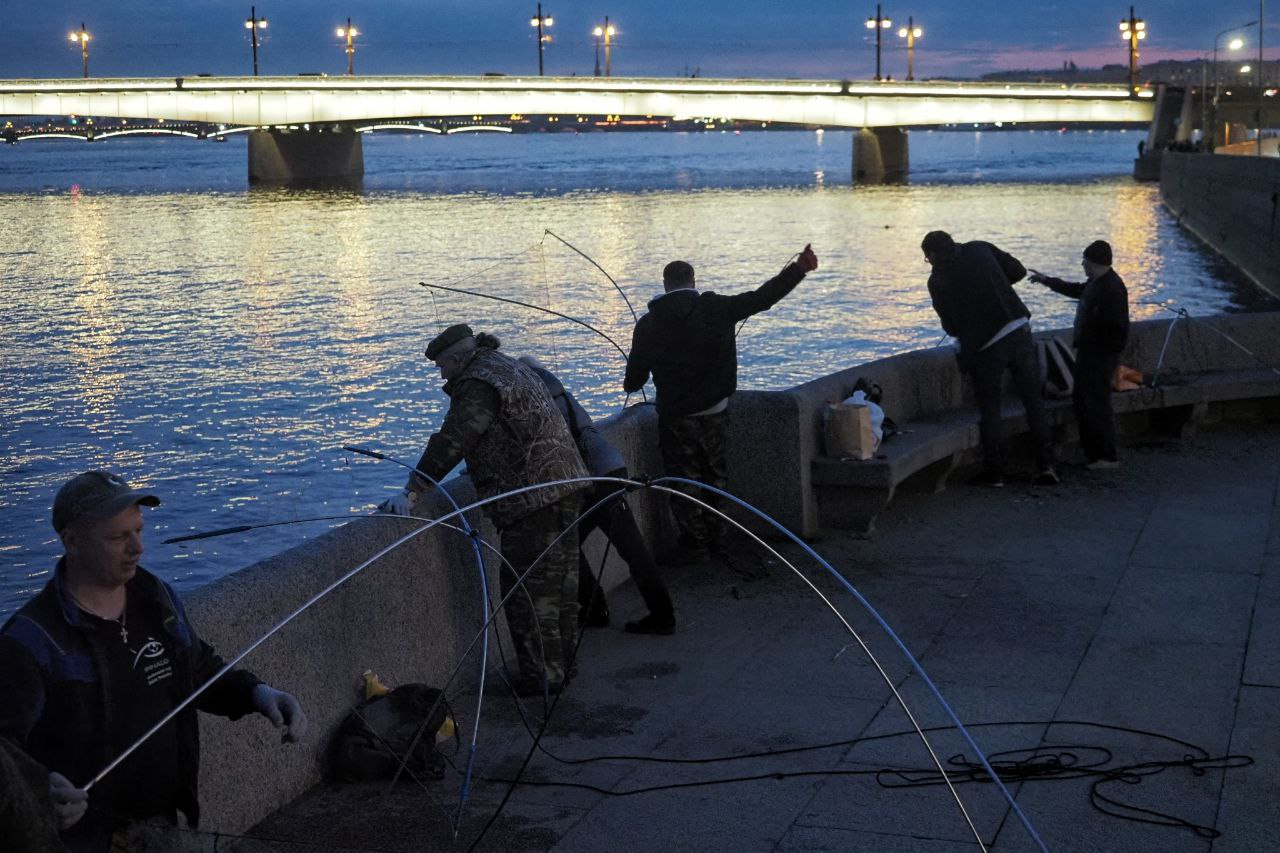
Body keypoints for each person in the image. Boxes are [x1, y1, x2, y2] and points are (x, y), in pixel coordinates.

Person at [0, 470, 307, 853]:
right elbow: (6, 756)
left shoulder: (155, 597)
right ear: (72, 541)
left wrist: (258, 694)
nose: (137, 548)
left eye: (139, 531)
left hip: (164, 828)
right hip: (85, 842)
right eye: (118, 537)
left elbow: (194, 668)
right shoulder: (30, 641)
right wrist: (42, 790)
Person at [383, 325, 588, 696]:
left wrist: (413, 490)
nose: (442, 374)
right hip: (567, 483)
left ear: (459, 359)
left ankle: (542, 677)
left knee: (528, 591)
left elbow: (455, 438)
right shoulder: (503, 364)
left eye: (443, 365)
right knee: (562, 585)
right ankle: (562, 667)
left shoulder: (477, 382)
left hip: (532, 498)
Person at [623, 244, 819, 564]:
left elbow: (635, 382)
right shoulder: (718, 309)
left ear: (665, 284)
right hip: (716, 410)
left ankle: (695, 546)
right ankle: (720, 539)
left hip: (675, 418)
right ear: (693, 281)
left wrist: (631, 380)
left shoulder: (648, 325)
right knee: (715, 477)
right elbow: (763, 298)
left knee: (683, 482)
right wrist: (798, 269)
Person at [520, 356, 677, 636]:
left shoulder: (537, 403)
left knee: (566, 544)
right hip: (611, 466)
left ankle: (597, 609)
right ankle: (661, 613)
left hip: (589, 477)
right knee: (631, 547)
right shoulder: (562, 394)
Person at [922, 230, 1059, 487]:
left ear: (931, 255)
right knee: (1033, 400)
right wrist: (997, 286)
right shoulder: (980, 248)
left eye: (927, 259)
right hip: (1019, 329)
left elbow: (951, 327)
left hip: (986, 347)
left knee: (990, 408)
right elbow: (1018, 271)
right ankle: (1047, 466)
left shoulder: (938, 279)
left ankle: (995, 473)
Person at [1029, 240, 1130, 469]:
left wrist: (1102, 351)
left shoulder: (1111, 288)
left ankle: (1106, 456)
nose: (1082, 264)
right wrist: (1047, 281)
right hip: (1089, 353)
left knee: (1097, 404)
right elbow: (1076, 290)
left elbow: (1118, 328)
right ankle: (1093, 454)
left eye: (1085, 260)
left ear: (1093, 261)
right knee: (1084, 402)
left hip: (1099, 356)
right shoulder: (1098, 282)